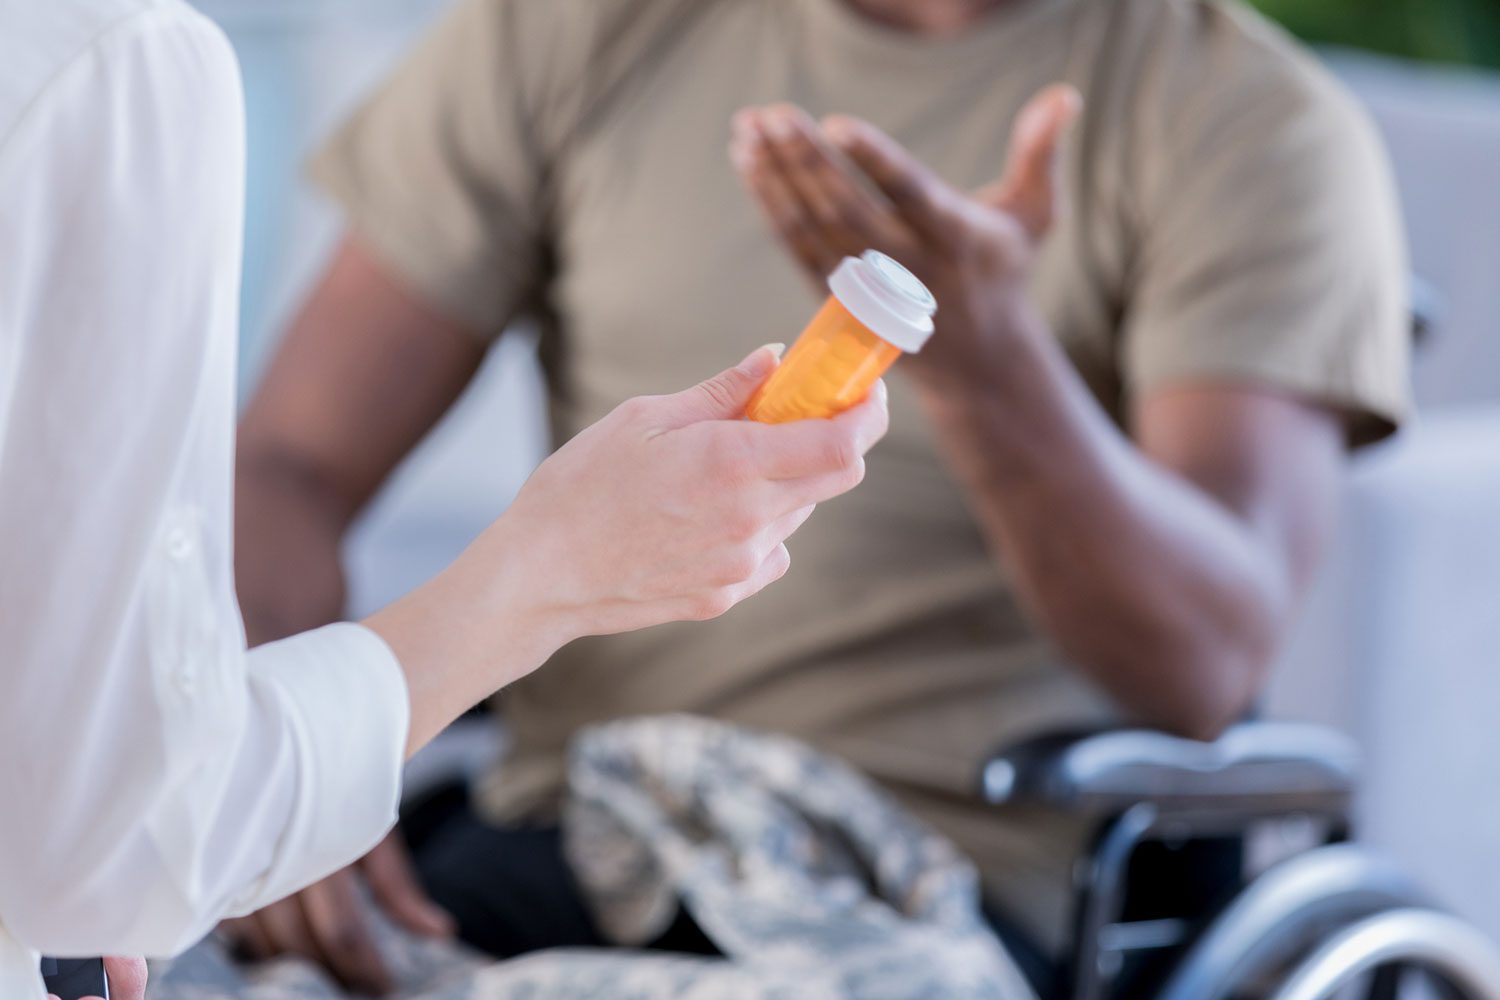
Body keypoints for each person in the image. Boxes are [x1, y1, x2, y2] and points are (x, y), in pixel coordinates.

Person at [227, 0, 1410, 991]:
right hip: (565, 832)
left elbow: (1203, 664)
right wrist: (296, 759)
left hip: (923, 894)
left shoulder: (1246, 121)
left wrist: (993, 369)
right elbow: (286, 462)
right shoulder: (575, 30)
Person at [0, 0, 888, 996]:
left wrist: (251, 773)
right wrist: (552, 572)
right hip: (541, 823)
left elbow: (98, 816)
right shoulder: (119, 69)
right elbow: (122, 839)